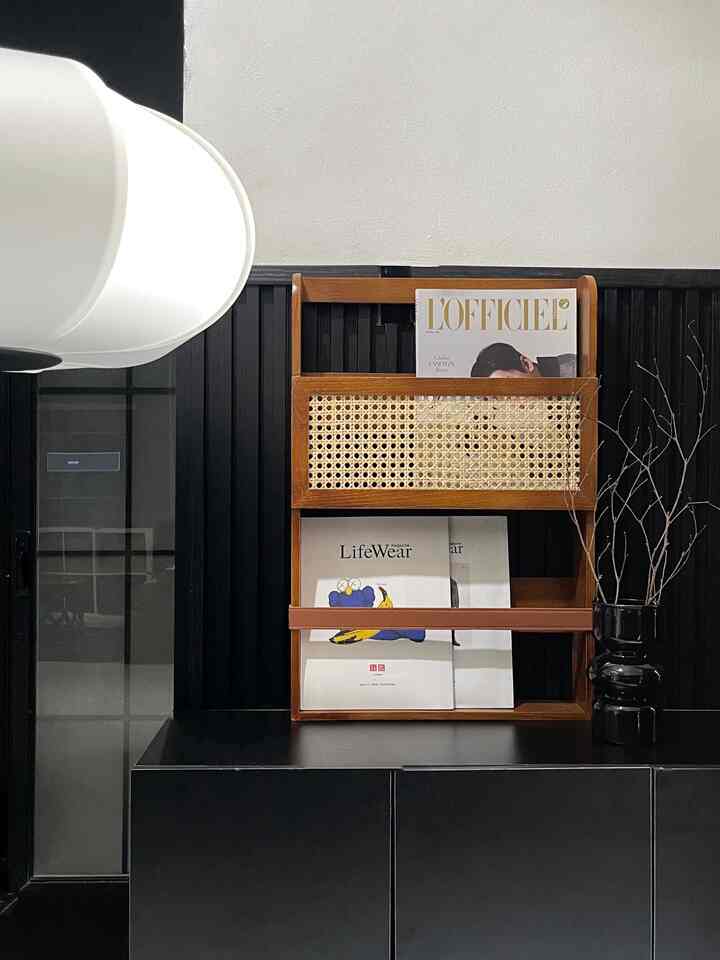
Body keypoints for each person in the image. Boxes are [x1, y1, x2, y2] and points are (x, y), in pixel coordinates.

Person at [470, 342, 576, 378]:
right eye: (497, 398)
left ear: (527, 364)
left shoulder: (575, 371)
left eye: (507, 385)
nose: (508, 402)